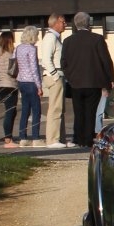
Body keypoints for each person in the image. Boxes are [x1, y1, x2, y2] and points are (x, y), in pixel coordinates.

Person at [61, 12, 114, 146]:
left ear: (75, 24)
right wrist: (110, 79)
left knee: (78, 112)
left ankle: (78, 139)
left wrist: (70, 76)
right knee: (91, 111)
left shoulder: (68, 41)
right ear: (89, 23)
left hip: (75, 83)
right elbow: (106, 60)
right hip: (93, 81)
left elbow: (64, 63)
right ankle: (88, 138)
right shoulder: (97, 39)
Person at [40, 13, 68, 147]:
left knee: (60, 108)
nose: (65, 24)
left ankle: (61, 138)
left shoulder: (55, 38)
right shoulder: (50, 37)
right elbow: (46, 59)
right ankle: (52, 140)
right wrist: (55, 75)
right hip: (55, 75)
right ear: (55, 23)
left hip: (59, 74)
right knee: (55, 108)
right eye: (63, 22)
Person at [15, 25, 43, 145]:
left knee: (25, 110)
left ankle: (23, 137)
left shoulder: (18, 48)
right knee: (36, 110)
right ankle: (36, 138)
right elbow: (34, 68)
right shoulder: (32, 49)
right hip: (31, 82)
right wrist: (39, 86)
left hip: (21, 81)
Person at [0, 29, 19, 148]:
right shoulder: (10, 55)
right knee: (10, 112)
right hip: (10, 85)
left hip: (1, 85)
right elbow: (13, 72)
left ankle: (8, 138)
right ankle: (8, 139)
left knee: (9, 111)